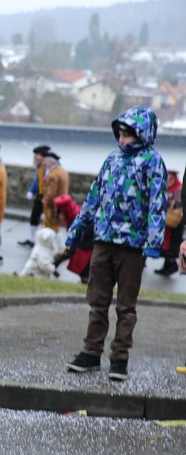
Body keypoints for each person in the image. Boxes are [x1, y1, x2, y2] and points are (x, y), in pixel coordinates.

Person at [64, 106, 166, 382]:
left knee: (126, 306)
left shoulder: (153, 162)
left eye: (128, 135)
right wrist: (75, 232)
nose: (122, 140)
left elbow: (158, 205)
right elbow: (93, 198)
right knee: (97, 301)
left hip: (132, 247)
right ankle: (90, 352)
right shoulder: (112, 160)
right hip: (104, 241)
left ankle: (119, 358)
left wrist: (153, 243)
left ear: (142, 134)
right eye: (120, 135)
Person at [19, 146, 50, 248]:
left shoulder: (47, 166)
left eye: (38, 155)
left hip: (47, 195)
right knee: (34, 216)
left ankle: (47, 240)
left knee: (48, 218)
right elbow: (37, 180)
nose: (36, 157)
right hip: (40, 194)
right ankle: (31, 239)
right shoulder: (39, 166)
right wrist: (31, 191)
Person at [154, 169, 182, 276]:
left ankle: (171, 265)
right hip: (166, 222)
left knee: (171, 245)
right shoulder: (165, 189)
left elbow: (179, 205)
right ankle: (167, 265)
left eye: (171, 179)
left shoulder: (178, 189)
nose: (169, 180)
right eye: (167, 178)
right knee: (165, 245)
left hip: (175, 222)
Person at [40, 151, 69, 244]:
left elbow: (51, 193)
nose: (44, 163)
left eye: (46, 161)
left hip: (53, 205)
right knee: (55, 226)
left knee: (51, 226)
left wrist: (45, 202)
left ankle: (58, 247)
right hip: (61, 202)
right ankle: (60, 247)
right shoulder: (62, 171)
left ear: (51, 161)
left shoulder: (53, 174)